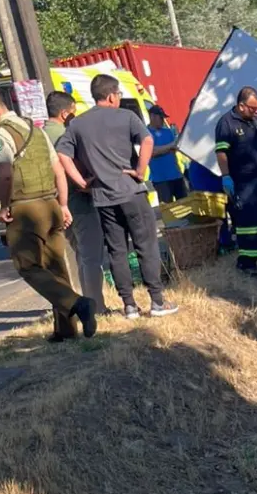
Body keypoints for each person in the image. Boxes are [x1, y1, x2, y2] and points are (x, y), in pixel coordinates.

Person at [0, 86, 96, 343]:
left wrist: (4, 206)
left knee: (28, 266)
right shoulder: (36, 130)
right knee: (55, 266)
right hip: (50, 205)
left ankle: (79, 304)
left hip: (26, 209)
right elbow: (58, 170)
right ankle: (66, 329)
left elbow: (5, 174)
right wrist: (63, 205)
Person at [56, 74, 179, 319]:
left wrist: (81, 182)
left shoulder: (78, 124)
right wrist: (140, 171)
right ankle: (156, 301)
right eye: (119, 94)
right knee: (145, 246)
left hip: (102, 197)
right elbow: (146, 140)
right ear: (112, 95)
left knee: (117, 251)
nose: (119, 98)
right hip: (131, 191)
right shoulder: (126, 116)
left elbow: (61, 154)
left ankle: (129, 305)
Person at [45, 91, 107, 316]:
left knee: (80, 254)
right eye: (73, 111)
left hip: (56, 205)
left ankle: (87, 301)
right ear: (64, 113)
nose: (75, 116)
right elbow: (74, 168)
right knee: (91, 255)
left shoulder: (42, 135)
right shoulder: (66, 135)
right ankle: (96, 306)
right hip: (77, 201)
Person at [215, 86, 257, 273]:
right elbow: (221, 153)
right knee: (248, 225)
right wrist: (226, 176)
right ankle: (247, 264)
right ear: (241, 106)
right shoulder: (226, 124)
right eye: (253, 108)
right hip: (242, 183)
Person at [147, 105, 188, 204]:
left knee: (185, 205)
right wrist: (169, 147)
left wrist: (164, 149)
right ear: (152, 116)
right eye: (161, 118)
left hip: (176, 176)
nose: (162, 120)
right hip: (161, 180)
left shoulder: (168, 132)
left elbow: (174, 148)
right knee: (168, 208)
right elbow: (151, 152)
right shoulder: (146, 133)